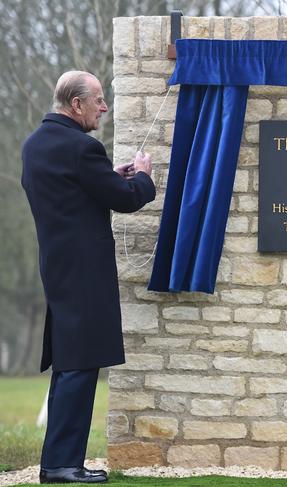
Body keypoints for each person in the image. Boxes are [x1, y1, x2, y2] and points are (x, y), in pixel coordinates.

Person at [21, 71, 156, 484]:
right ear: (75, 104)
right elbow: (125, 199)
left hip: (59, 269)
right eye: (98, 99)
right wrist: (146, 177)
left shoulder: (36, 144)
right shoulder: (82, 148)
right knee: (80, 367)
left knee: (69, 365)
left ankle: (58, 462)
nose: (104, 106)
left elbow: (74, 190)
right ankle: (62, 467)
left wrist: (107, 173)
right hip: (86, 273)